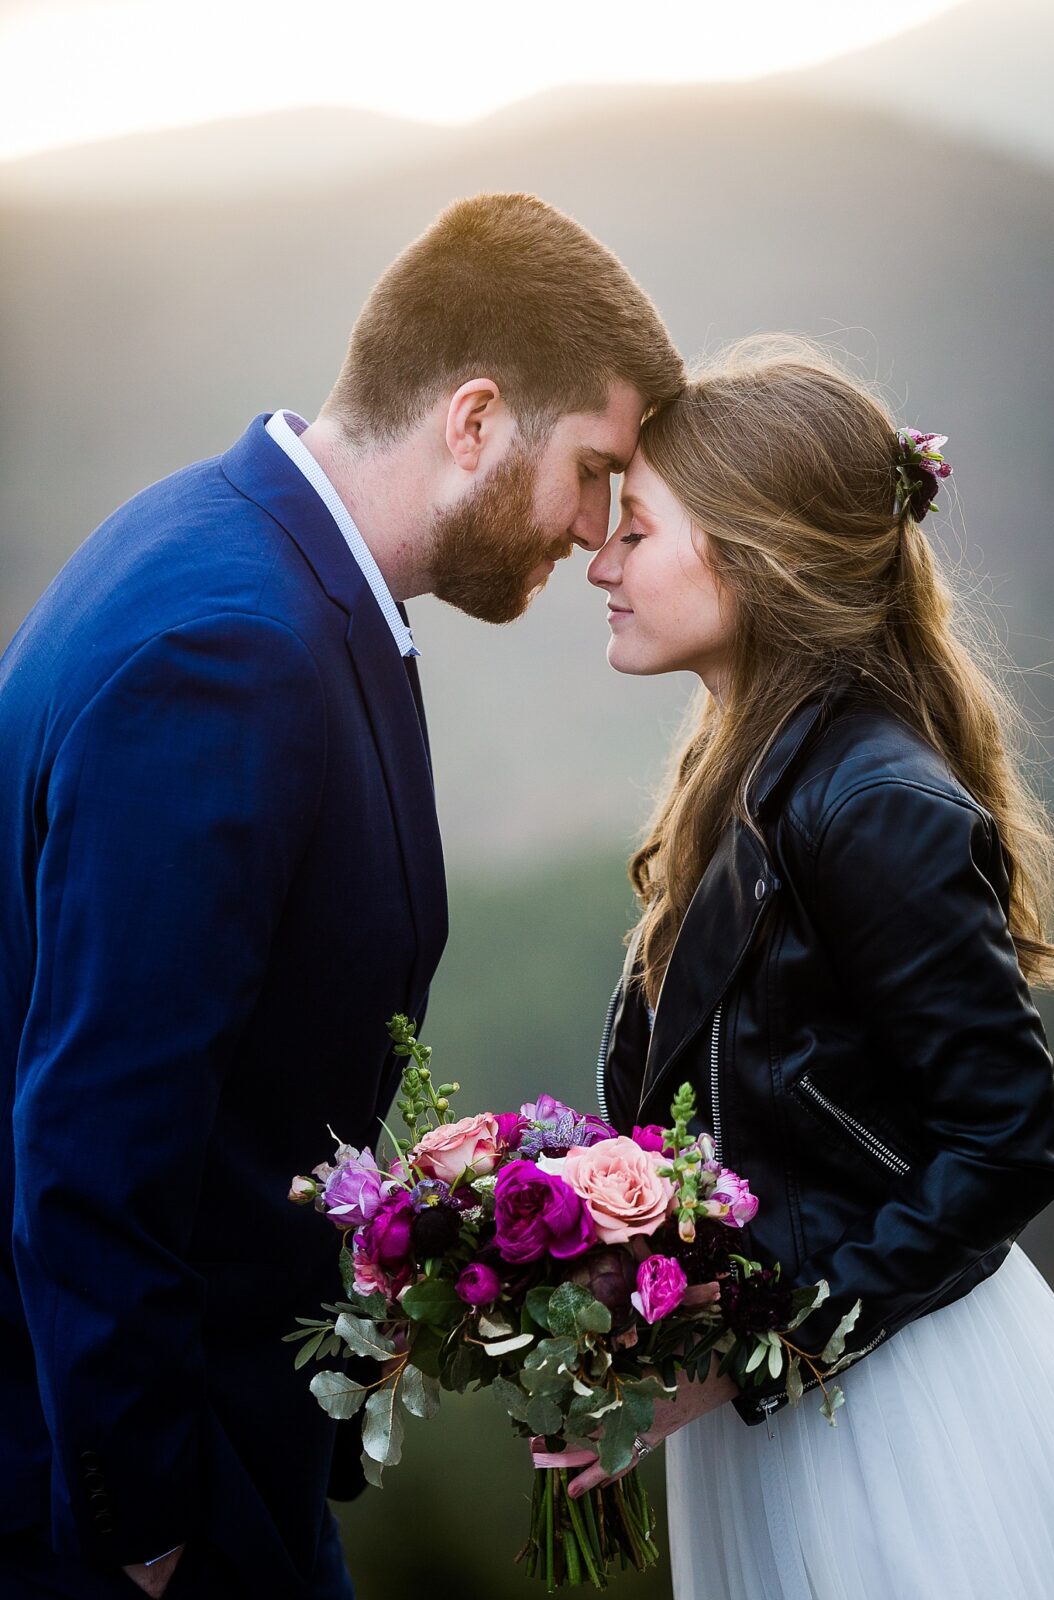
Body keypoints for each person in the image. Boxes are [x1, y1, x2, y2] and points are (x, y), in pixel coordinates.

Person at [0, 193, 682, 1599]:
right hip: (130, 1498)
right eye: (597, 470)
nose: (598, 529)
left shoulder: (255, 555)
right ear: (478, 419)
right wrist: (147, 1530)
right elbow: (94, 1133)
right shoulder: (230, 648)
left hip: (238, 1453)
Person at [573, 338, 1054, 1598]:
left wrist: (765, 1350)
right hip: (769, 1405)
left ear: (751, 555)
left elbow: (1008, 1141)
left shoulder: (870, 802)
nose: (600, 563)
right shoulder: (731, 772)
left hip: (894, 1411)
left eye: (637, 532)